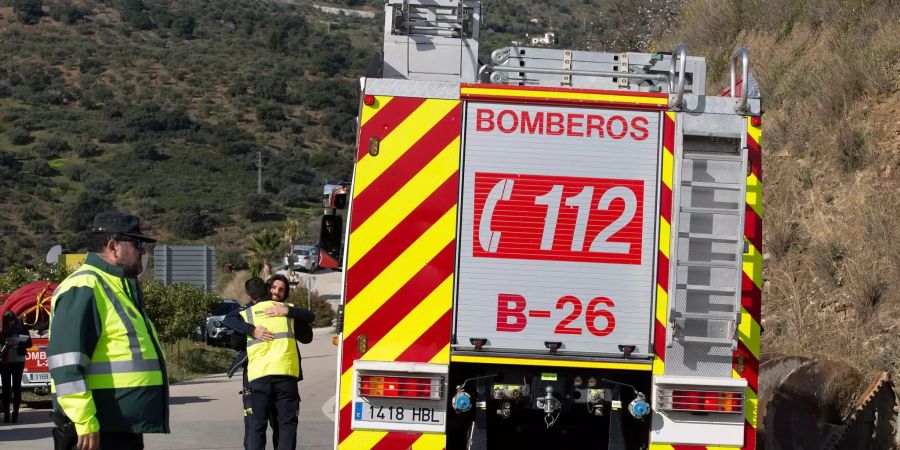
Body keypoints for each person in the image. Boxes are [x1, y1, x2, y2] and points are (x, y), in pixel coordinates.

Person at [48, 212, 168, 450]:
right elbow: (66, 364)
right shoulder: (85, 287)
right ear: (113, 246)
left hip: (119, 428)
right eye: (138, 244)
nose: (142, 252)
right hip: (95, 432)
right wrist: (85, 420)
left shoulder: (118, 287)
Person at [224, 274, 314, 450]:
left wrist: (287, 311)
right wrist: (252, 330)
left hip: (265, 377)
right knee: (269, 427)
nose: (277, 292)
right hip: (267, 377)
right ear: (267, 288)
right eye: (274, 288)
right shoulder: (248, 312)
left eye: (281, 289)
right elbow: (235, 338)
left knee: (262, 426)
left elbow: (307, 331)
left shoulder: (285, 310)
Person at [1, 311, 31, 423]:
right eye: (7, 321)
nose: (10, 323)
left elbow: (29, 344)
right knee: (5, 388)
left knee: (16, 387)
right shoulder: (2, 329)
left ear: (14, 319)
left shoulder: (21, 328)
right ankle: (6, 415)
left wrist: (17, 343)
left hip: (18, 361)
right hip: (5, 362)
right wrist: (5, 342)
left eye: (11, 320)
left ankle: (15, 414)